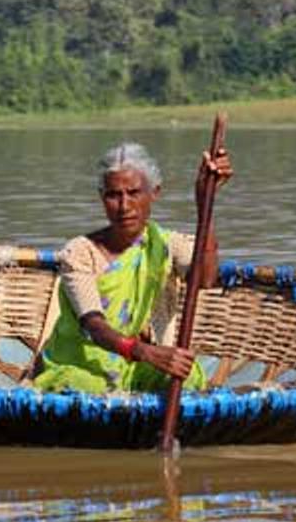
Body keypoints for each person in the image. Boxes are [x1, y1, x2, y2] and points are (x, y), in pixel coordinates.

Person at [33, 141, 232, 394]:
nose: (124, 206)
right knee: (82, 388)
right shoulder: (80, 253)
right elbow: (95, 326)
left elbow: (205, 279)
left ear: (154, 193)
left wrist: (206, 203)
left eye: (134, 193)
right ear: (102, 198)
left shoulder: (167, 244)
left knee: (187, 376)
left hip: (136, 367)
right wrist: (144, 351)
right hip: (80, 367)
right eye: (113, 195)